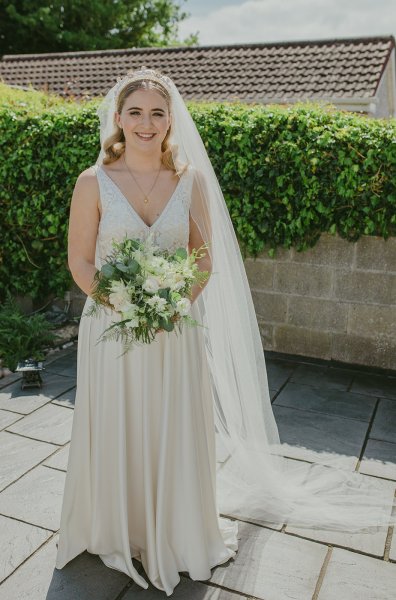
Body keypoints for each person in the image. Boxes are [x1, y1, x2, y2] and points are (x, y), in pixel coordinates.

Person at [55, 67, 396, 595]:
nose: (147, 123)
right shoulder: (92, 181)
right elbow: (80, 262)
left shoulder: (188, 180)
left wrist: (170, 305)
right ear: (118, 118)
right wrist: (125, 306)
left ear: (171, 121)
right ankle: (117, 527)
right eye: (136, 112)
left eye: (157, 113)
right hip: (112, 332)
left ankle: (174, 526)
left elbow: (203, 258)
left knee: (170, 423)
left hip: (175, 331)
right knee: (119, 423)